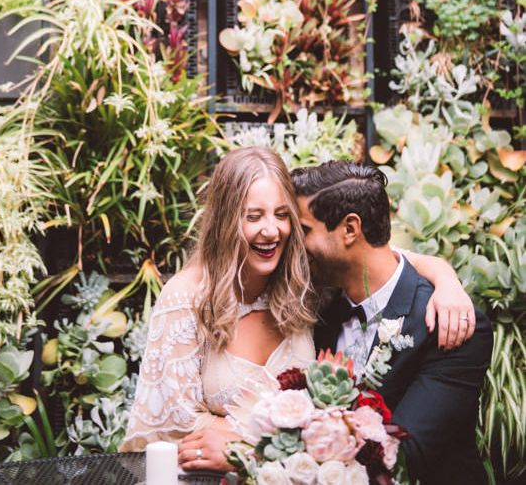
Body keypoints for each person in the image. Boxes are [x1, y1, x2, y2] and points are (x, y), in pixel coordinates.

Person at [121, 148, 475, 473]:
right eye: (253, 216)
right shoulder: (186, 297)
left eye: (283, 216)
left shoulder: (303, 284)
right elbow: (174, 425)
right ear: (226, 222)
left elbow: (374, 255)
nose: (271, 230)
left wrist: (445, 277)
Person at [292, 161, 493, 485]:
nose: (294, 245)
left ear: (350, 229)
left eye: (304, 230)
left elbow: (404, 457)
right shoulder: (319, 310)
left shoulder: (449, 327)